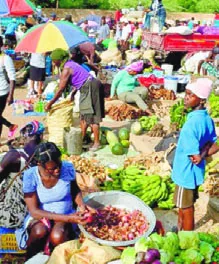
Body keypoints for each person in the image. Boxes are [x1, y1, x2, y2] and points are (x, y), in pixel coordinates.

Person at [20, 142, 93, 258]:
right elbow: (34, 211)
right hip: (42, 215)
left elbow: (75, 191)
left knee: (57, 236)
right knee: (39, 232)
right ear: (39, 164)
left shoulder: (67, 168)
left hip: (65, 213)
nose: (58, 170)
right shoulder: (30, 176)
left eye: (59, 164)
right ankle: (30, 257)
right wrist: (69, 218)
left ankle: (57, 258)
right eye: (52, 168)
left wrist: (82, 205)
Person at [171, 78, 219, 231]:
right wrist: (204, 153)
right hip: (196, 173)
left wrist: (199, 155)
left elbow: (194, 156)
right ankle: (180, 229)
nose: (186, 98)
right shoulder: (206, 119)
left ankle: (187, 235)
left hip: (185, 173)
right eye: (186, 94)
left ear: (201, 99)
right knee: (184, 205)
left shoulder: (190, 125)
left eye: (190, 95)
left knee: (186, 208)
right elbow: (214, 143)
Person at [45, 49, 105, 151]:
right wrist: (73, 93)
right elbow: (79, 78)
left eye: (54, 60)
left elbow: (60, 89)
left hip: (90, 87)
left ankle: (96, 143)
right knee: (84, 114)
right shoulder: (70, 63)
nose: (53, 63)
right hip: (87, 86)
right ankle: (81, 139)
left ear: (58, 60)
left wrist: (50, 104)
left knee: (92, 116)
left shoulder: (67, 68)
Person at [0, 121, 44, 228]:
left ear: (24, 137)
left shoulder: (14, 155)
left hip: (8, 214)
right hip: (32, 213)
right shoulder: (44, 157)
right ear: (41, 136)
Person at [0, 36, 17, 140]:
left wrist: (11, 94)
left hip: (2, 92)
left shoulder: (5, 58)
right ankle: (11, 126)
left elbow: (12, 78)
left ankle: (11, 126)